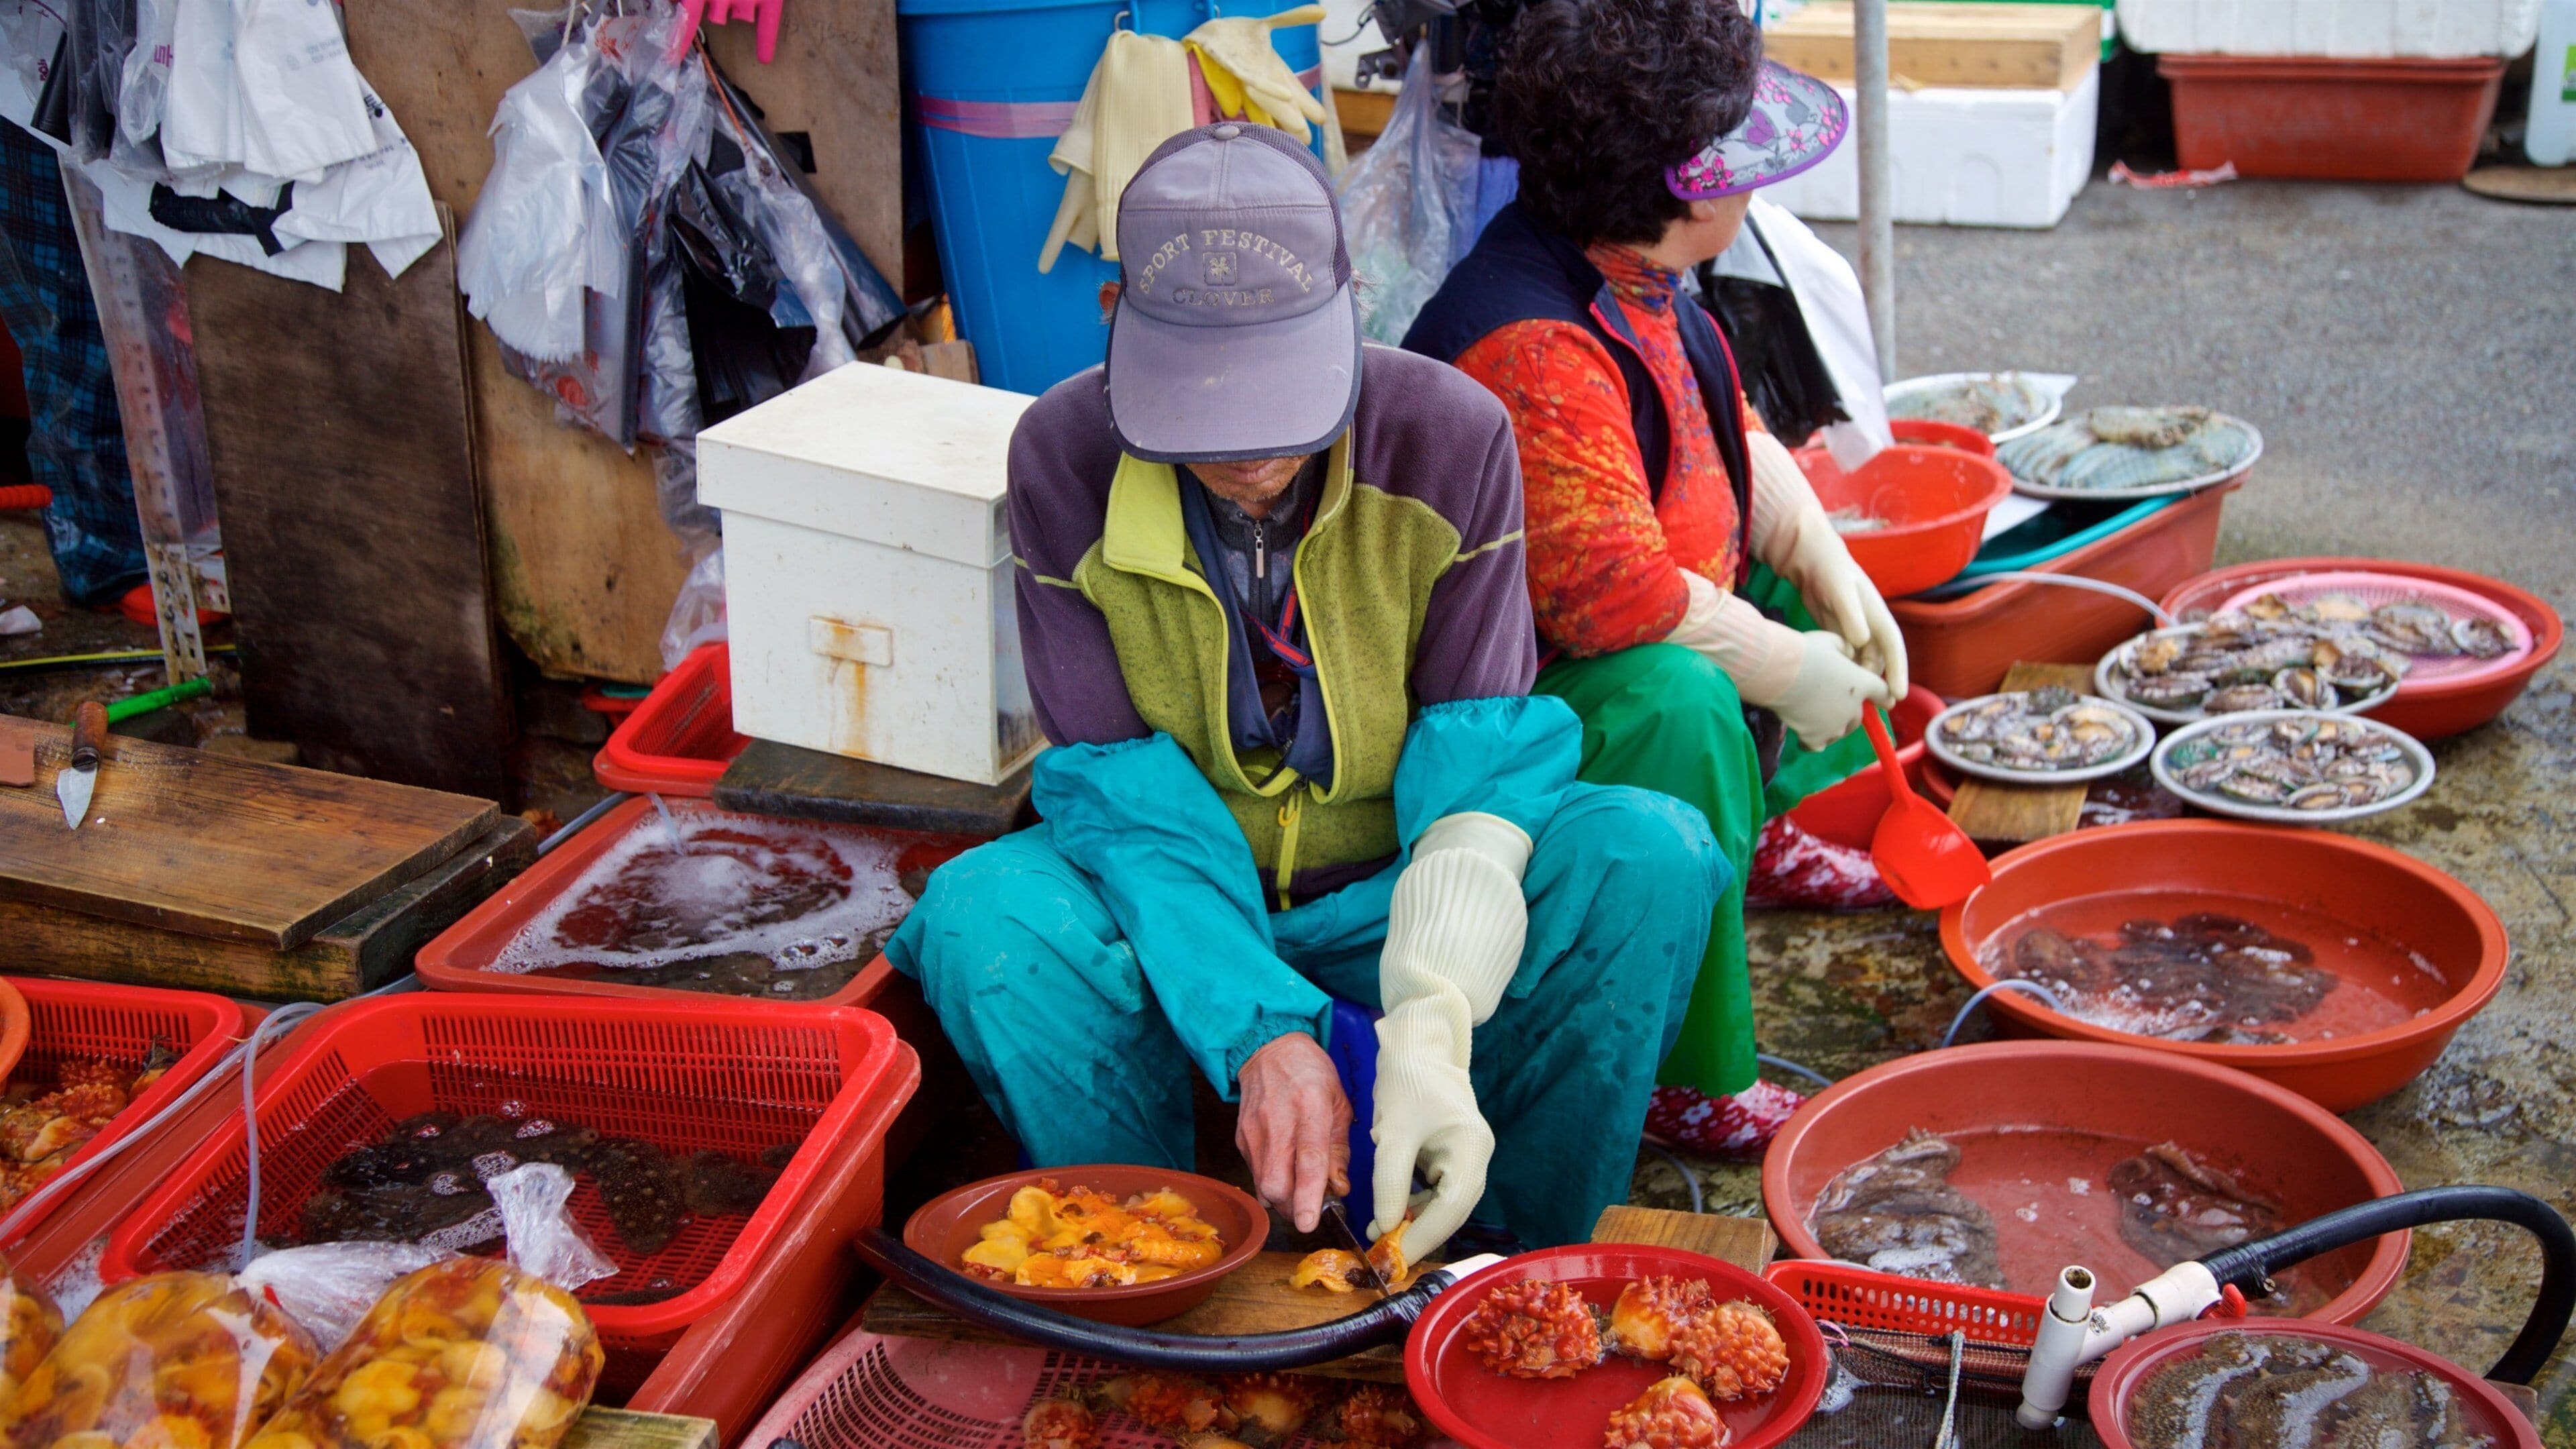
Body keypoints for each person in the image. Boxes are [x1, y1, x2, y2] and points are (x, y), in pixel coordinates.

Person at [888, 123, 1725, 1261]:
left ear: (1351, 316)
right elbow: (1120, 803)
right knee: (987, 915)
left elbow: (1478, 768)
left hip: (1394, 880)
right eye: (1203, 410)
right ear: (1116, 324)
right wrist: (1261, 1031)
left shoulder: (1449, 434)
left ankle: (1508, 1263)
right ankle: (1149, 1256)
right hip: (1182, 896)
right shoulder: (1060, 456)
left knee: (1648, 857)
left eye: (1285, 400)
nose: (1250, 455)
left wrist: (1432, 1016)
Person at [1404, 0, 1909, 1157]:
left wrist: (1816, 554)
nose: (1752, 184)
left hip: (1611, 610)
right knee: (1682, 700)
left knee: (1775, 587)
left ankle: (1751, 839)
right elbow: (1615, 594)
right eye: (1735, 161)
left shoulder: (1629, 264)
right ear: (1673, 187)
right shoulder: (1530, 343)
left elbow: (1708, 423)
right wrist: (1783, 666)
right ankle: (1685, 1074)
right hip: (1500, 706)